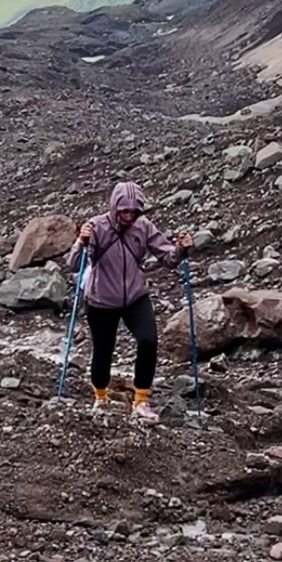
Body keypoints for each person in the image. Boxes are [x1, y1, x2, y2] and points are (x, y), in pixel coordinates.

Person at [67, 180, 192, 420]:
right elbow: (74, 264)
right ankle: (100, 398)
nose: (129, 216)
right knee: (103, 351)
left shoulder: (143, 226)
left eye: (134, 211)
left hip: (135, 295)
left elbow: (167, 257)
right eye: (124, 211)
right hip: (101, 299)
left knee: (149, 341)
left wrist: (180, 250)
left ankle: (141, 401)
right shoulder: (96, 227)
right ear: (115, 208)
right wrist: (82, 241)